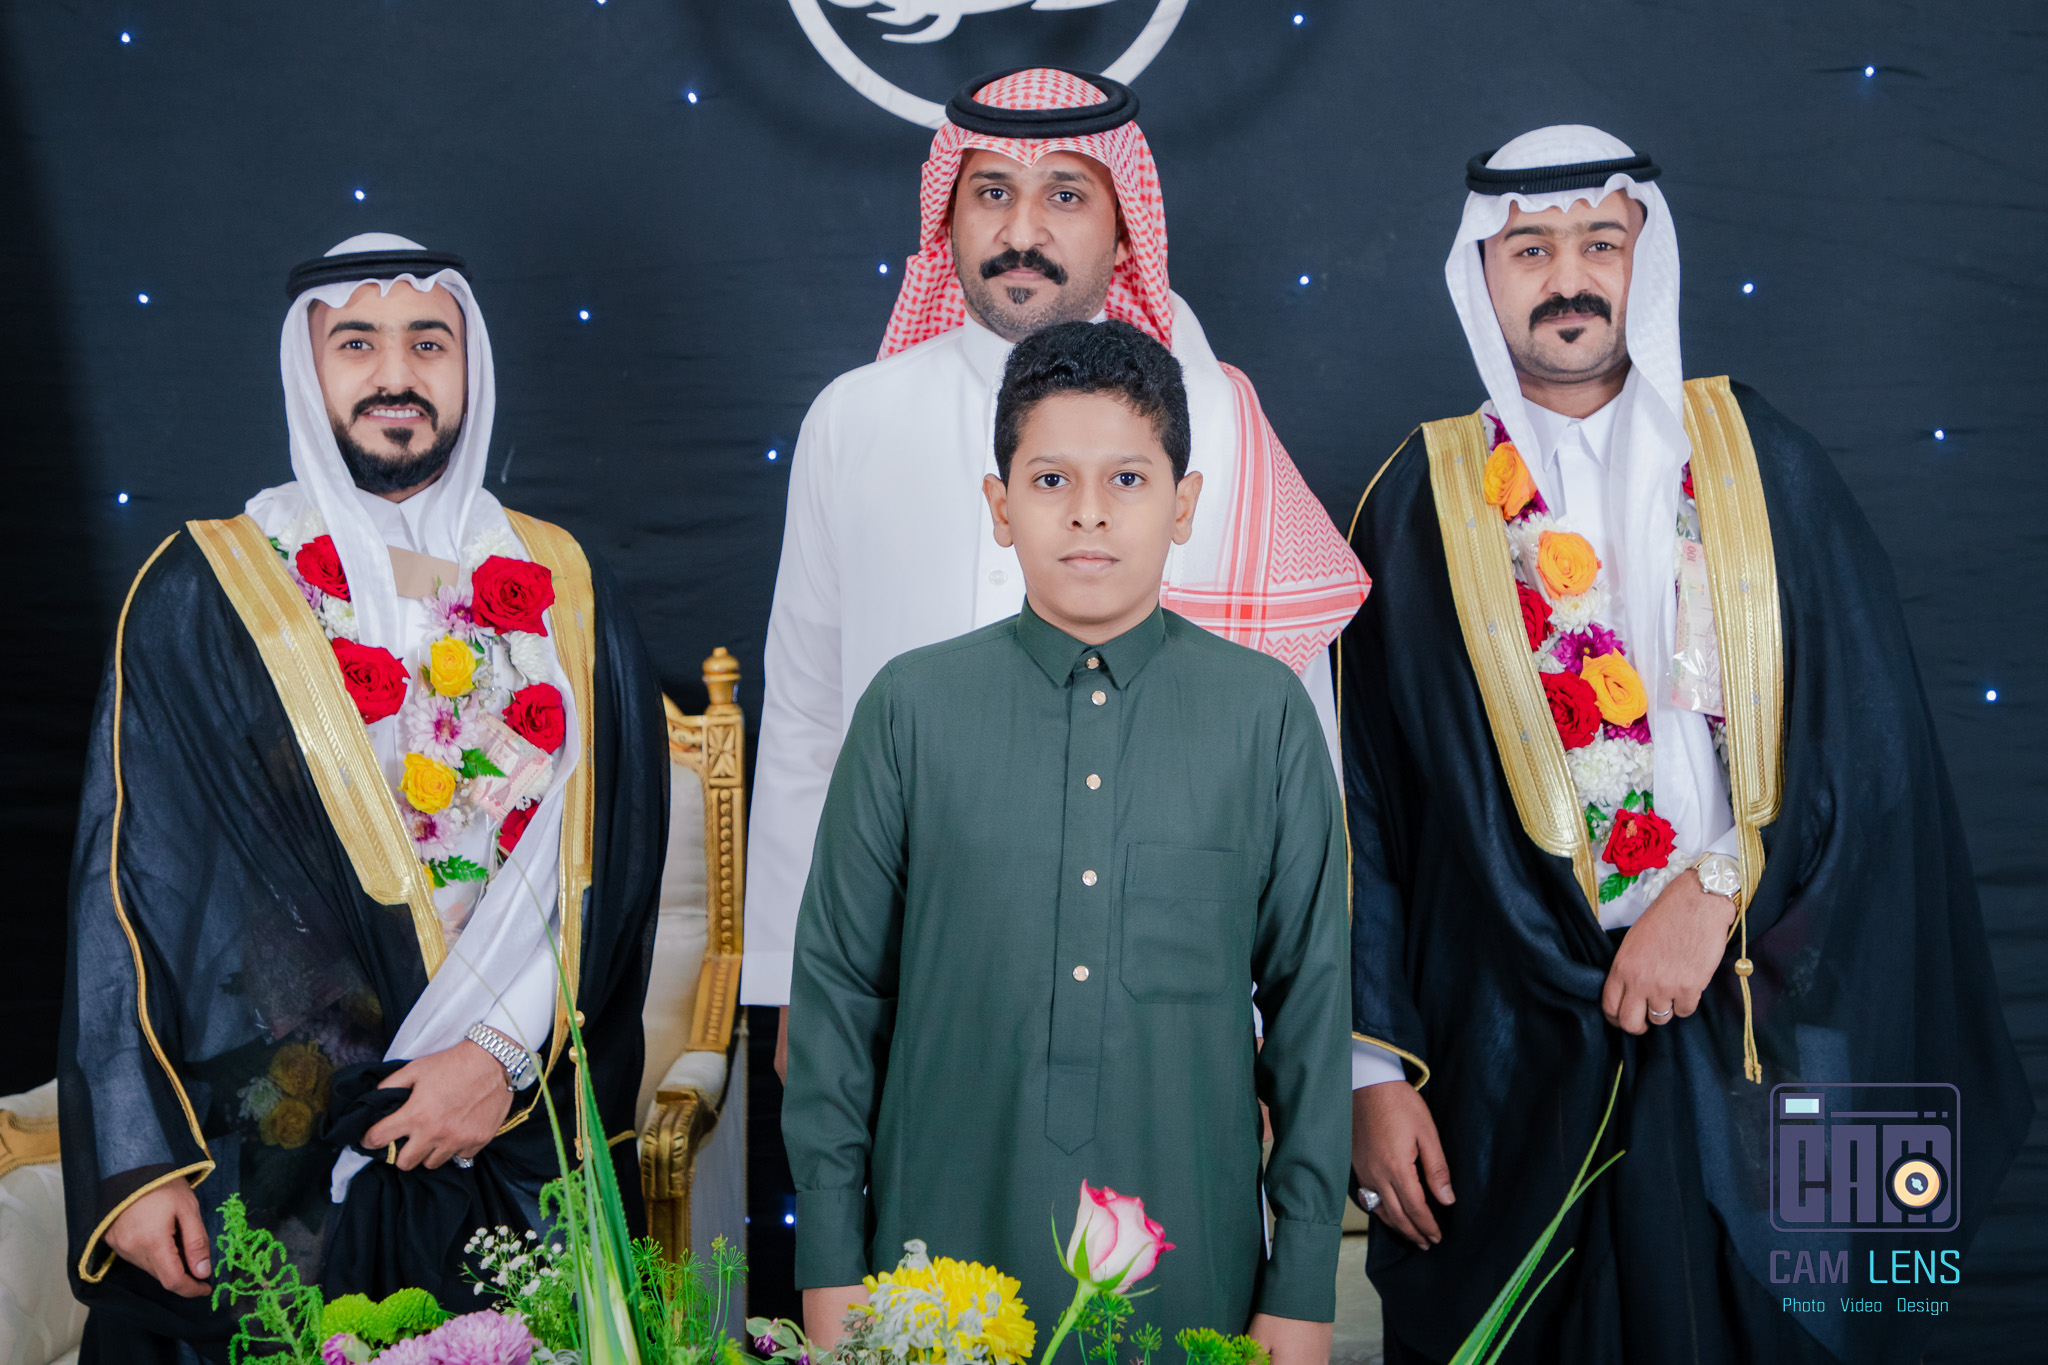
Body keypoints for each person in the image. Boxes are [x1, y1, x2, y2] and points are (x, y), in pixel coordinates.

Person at [1338, 126, 2032, 1364]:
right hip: (1507, 1050)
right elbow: (1363, 815)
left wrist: (1715, 891)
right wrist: (1369, 1076)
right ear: (1478, 268)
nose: (1566, 278)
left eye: (1598, 243)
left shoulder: (1763, 465)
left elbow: (1874, 749)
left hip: (1758, 1027)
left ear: (1642, 259)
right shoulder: (1411, 505)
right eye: (1528, 248)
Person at [59, 234, 668, 1362]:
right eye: (357, 344)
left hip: (504, 1127)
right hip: (274, 1142)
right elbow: (129, 884)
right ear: (308, 368)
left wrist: (497, 1054)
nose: (396, 374)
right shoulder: (205, 590)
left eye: (428, 343)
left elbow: (610, 867)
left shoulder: (565, 586)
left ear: (469, 365)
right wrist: (138, 1158)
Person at [743, 68, 1370, 1071]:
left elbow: (1292, 757)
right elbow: (808, 724)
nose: (1021, 229)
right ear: (947, 216)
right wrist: (791, 980)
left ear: (1124, 230)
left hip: (1164, 992)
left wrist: (1274, 1031)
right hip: (912, 976)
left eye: (1065, 195)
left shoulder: (1214, 423)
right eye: (991, 191)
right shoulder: (853, 420)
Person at [783, 321, 1350, 1365]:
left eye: (1128, 478)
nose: (1089, 511)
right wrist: (827, 1261)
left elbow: (1311, 1010)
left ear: (1184, 505)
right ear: (1000, 507)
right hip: (933, 1264)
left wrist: (1303, 1284)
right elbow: (835, 998)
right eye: (1050, 479)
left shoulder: (1263, 715)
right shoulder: (909, 708)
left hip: (1194, 1269)